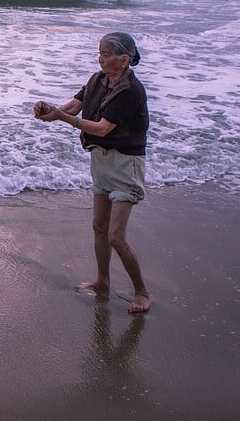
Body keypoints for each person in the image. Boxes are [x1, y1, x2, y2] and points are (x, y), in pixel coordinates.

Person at [33, 32, 151, 314]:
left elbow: (101, 128)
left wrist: (62, 117)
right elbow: (74, 107)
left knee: (115, 236)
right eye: (100, 52)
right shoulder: (97, 80)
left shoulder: (131, 90)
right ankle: (102, 280)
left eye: (107, 54)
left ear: (124, 60)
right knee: (99, 228)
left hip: (125, 166)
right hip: (100, 161)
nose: (101, 58)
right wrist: (49, 111)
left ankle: (142, 292)